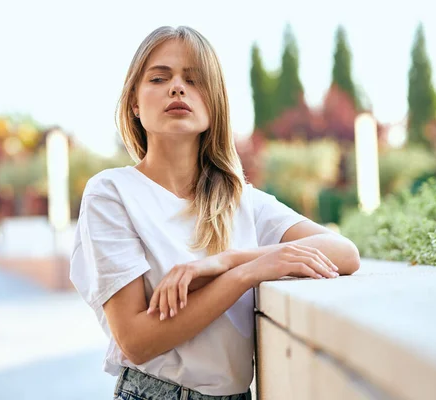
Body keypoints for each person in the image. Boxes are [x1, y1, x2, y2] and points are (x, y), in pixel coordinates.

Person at [70, 25, 360, 400]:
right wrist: (246, 274)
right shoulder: (111, 193)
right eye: (160, 78)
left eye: (194, 80)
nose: (177, 88)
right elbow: (137, 340)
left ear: (215, 104)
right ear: (135, 104)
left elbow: (344, 253)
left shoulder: (238, 200)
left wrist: (226, 261)